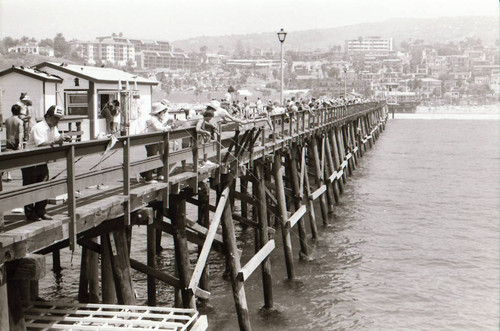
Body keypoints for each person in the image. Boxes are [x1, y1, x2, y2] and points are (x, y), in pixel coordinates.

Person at [22, 105, 70, 221]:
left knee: (43, 185)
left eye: (59, 119)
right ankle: (30, 213)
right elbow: (41, 144)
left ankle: (41, 211)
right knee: (30, 187)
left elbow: (57, 137)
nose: (57, 121)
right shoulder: (39, 127)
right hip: (30, 161)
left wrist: (63, 139)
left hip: (41, 160)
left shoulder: (53, 127)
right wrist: (56, 141)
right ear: (48, 116)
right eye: (55, 118)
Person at [140, 102, 172, 183]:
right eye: (163, 112)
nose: (164, 113)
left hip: (157, 141)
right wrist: (168, 127)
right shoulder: (152, 119)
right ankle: (148, 177)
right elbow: (158, 128)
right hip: (151, 141)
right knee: (151, 157)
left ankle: (158, 173)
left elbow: (161, 127)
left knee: (159, 156)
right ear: (159, 112)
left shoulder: (157, 119)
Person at [4, 104, 24, 181]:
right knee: (21, 158)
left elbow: (7, 131)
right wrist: (20, 143)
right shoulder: (19, 121)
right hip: (16, 140)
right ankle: (23, 173)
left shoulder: (7, 120)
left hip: (9, 140)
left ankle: (9, 175)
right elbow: (20, 133)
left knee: (9, 159)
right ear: (19, 111)